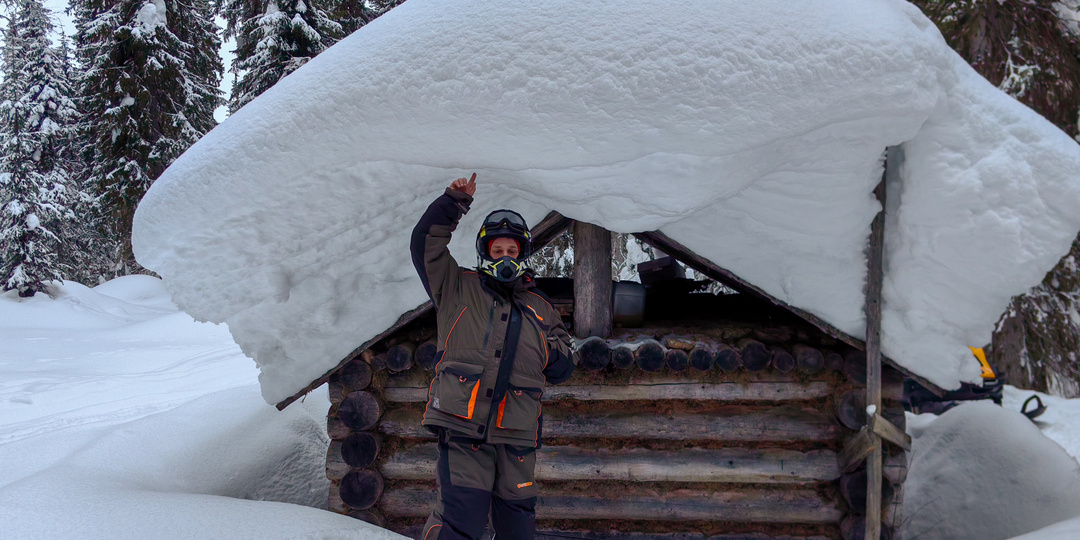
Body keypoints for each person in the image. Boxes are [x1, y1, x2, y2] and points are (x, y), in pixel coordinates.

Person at [410, 174, 576, 540]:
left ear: (523, 255)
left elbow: (565, 363)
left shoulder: (540, 308)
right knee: (461, 523)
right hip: (463, 430)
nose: (505, 258)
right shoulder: (456, 287)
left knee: (517, 528)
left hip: (517, 439)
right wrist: (453, 202)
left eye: (512, 251)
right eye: (497, 251)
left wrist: (543, 349)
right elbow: (425, 245)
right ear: (486, 252)